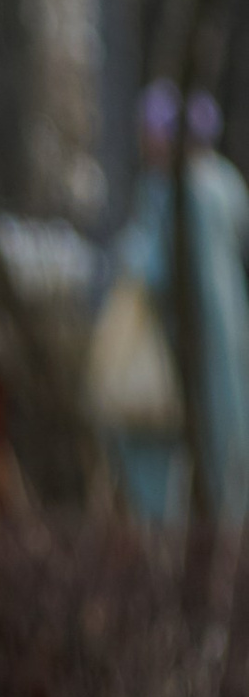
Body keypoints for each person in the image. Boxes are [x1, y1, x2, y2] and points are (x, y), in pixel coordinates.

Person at [109, 83, 249, 526]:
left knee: (175, 445)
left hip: (188, 343)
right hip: (225, 338)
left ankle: (184, 531)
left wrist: (125, 259)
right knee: (226, 439)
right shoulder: (224, 184)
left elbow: (152, 267)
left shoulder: (182, 191)